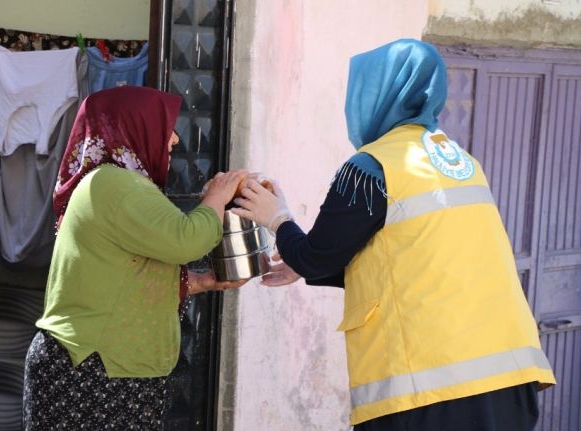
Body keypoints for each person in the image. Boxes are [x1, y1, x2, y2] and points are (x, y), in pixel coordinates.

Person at [232, 39, 556, 431]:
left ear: (379, 95)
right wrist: (301, 264)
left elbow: (319, 254)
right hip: (507, 380)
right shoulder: (462, 162)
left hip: (433, 391)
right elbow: (411, 257)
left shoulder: (372, 167)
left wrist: (278, 218)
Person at [22, 86, 247, 430]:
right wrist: (218, 195)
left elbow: (125, 276)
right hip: (95, 370)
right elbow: (188, 239)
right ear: (132, 127)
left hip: (103, 369)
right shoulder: (115, 184)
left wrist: (200, 282)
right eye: (164, 125)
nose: (173, 140)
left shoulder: (114, 184)